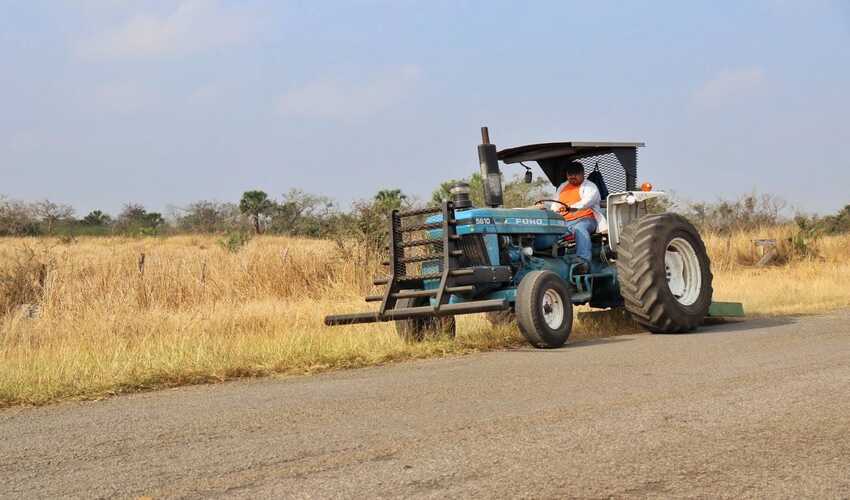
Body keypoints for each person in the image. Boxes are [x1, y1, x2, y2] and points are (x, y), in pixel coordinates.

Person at [545, 161, 607, 274]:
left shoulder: (590, 187)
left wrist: (570, 207)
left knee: (580, 228)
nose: (572, 177)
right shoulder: (563, 187)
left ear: (583, 174)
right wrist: (548, 210)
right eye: (570, 174)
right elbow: (555, 204)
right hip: (565, 222)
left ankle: (583, 260)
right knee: (550, 231)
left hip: (587, 219)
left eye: (576, 174)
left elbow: (586, 202)